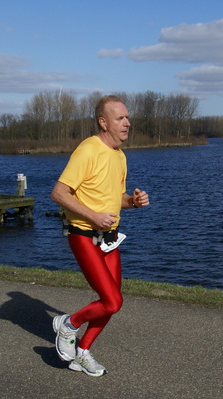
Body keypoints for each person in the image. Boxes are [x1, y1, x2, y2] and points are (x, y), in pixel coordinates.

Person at [50, 95, 149, 376]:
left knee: (111, 303)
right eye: (120, 118)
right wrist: (93, 216)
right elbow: (58, 193)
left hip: (108, 239)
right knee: (112, 302)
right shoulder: (88, 150)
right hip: (84, 235)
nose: (127, 123)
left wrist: (134, 201)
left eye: (128, 117)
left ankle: (82, 352)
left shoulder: (119, 156)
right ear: (103, 122)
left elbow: (115, 198)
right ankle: (68, 324)